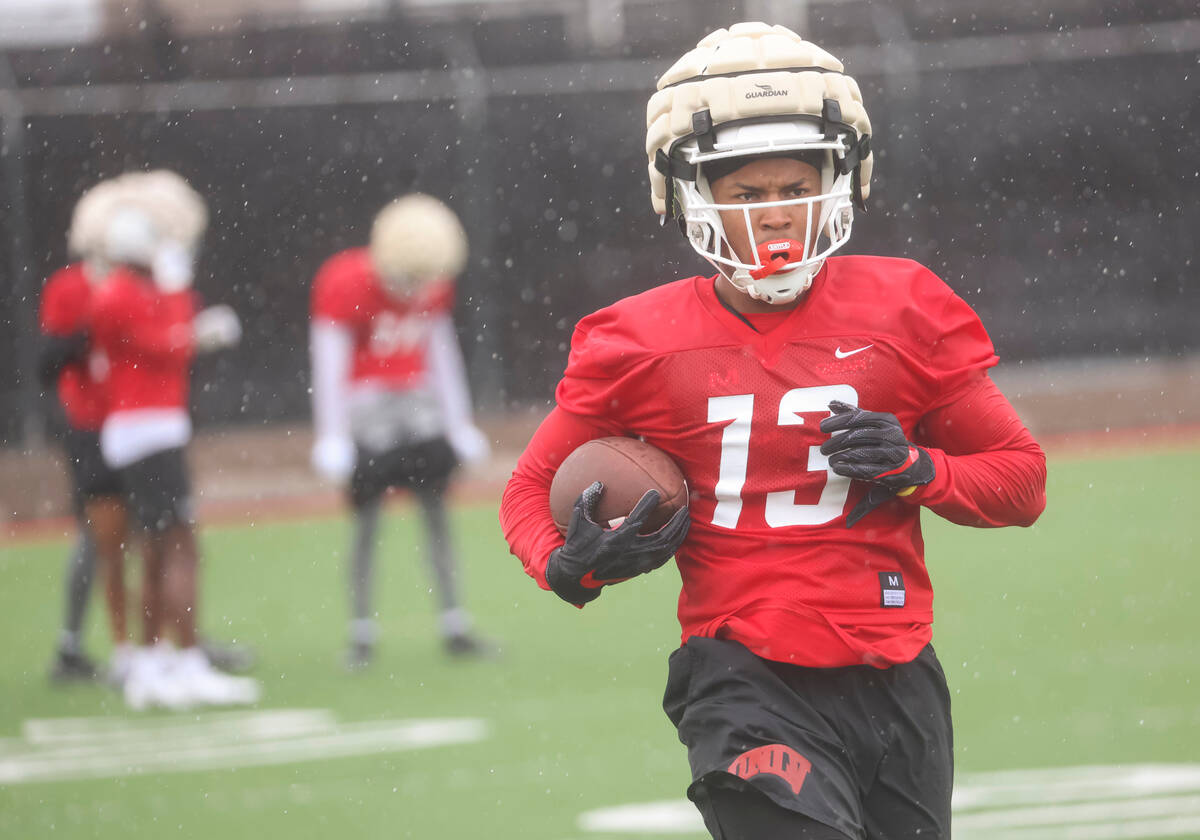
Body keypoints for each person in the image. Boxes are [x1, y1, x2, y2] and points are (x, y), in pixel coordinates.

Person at [500, 22, 1046, 840]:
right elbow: (525, 492)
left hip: (895, 674)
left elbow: (1021, 481)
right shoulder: (638, 341)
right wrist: (565, 564)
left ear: (841, 178)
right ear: (690, 194)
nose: (774, 215)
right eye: (746, 194)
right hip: (743, 678)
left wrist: (917, 467)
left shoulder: (906, 308)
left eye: (794, 185)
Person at [89, 173, 261, 709]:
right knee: (177, 548)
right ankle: (178, 661)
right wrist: (190, 318)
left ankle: (158, 660)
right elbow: (164, 343)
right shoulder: (120, 292)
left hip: (144, 429)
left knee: (162, 550)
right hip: (148, 430)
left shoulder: (126, 288)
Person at [309, 193, 493, 668]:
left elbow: (441, 355)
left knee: (436, 514)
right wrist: (332, 434)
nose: (416, 290)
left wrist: (457, 423)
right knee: (367, 522)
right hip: (367, 414)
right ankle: (361, 631)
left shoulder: (432, 282)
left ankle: (454, 621)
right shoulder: (345, 281)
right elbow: (329, 363)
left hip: (419, 408)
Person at [39, 177, 130, 682]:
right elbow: (49, 362)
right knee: (99, 535)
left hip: (141, 423)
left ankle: (167, 642)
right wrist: (96, 326)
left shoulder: (145, 282)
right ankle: (73, 646)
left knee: (161, 534)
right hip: (91, 425)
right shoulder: (70, 287)